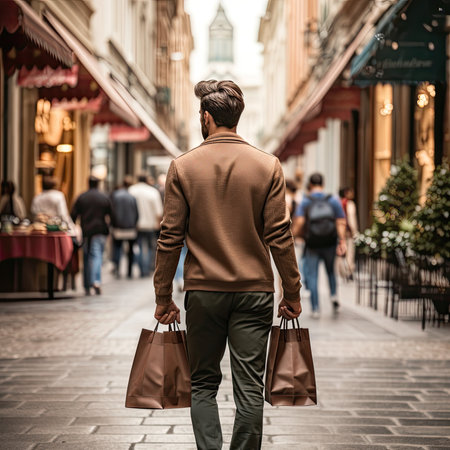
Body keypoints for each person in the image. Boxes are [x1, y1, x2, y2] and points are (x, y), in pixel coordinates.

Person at [153, 80, 302, 450]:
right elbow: (280, 235)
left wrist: (162, 296)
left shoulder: (183, 167)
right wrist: (292, 291)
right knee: (249, 385)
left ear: (206, 117)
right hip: (254, 290)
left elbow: (169, 237)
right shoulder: (268, 166)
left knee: (202, 383)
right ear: (237, 117)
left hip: (203, 292)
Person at [292, 173, 346, 318]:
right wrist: (342, 240)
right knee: (330, 271)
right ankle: (334, 295)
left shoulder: (305, 201)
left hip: (312, 243)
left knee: (312, 275)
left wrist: (293, 236)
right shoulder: (333, 200)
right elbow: (341, 221)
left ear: (310, 184)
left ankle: (315, 308)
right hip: (329, 242)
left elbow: (300, 222)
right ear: (323, 183)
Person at [71, 176, 112, 296]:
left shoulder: (82, 197)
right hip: (100, 230)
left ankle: (87, 284)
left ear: (88, 184)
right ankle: (96, 281)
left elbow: (73, 215)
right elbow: (111, 215)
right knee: (96, 255)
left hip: (86, 231)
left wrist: (75, 227)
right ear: (98, 184)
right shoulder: (104, 197)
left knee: (86, 256)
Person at [129, 174, 163, 277]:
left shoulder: (131, 190)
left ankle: (140, 268)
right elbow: (159, 211)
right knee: (149, 248)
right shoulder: (152, 192)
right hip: (150, 225)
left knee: (138, 247)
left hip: (136, 225)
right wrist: (157, 223)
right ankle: (146, 269)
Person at [110, 176, 139, 279]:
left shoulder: (115, 195)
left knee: (117, 248)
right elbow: (136, 213)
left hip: (118, 226)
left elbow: (112, 211)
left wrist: (113, 224)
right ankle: (129, 271)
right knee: (130, 250)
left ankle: (117, 269)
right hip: (130, 227)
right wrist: (135, 224)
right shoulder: (132, 197)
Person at [338, 187, 358, 280]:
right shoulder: (349, 204)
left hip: (339, 231)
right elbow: (351, 218)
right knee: (349, 252)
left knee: (341, 251)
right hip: (348, 231)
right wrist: (354, 232)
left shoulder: (337, 203)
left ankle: (342, 272)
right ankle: (349, 271)